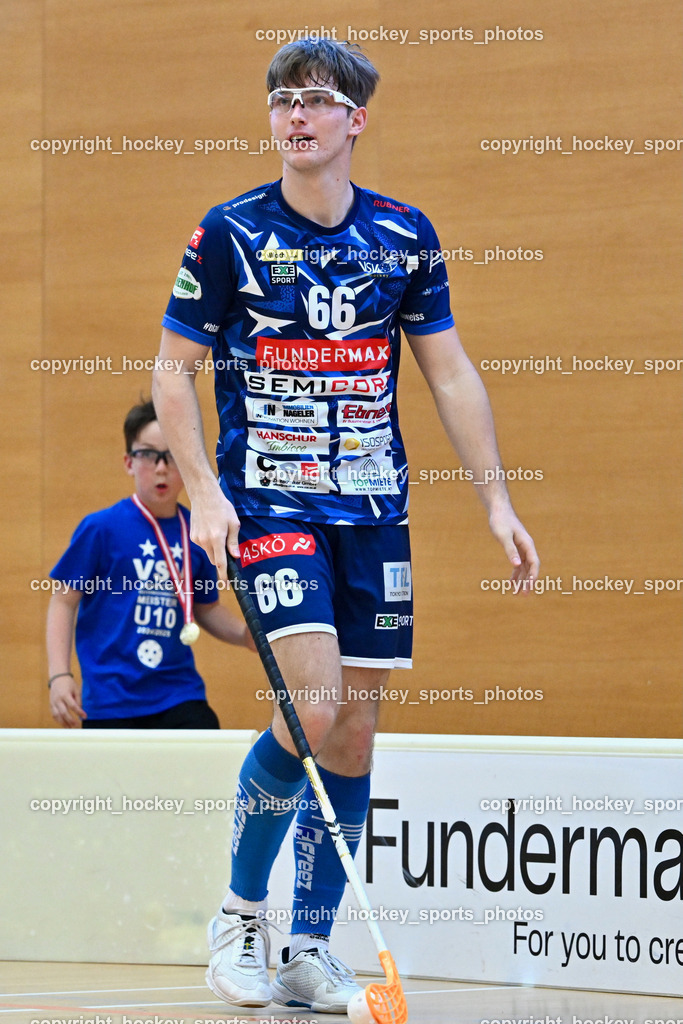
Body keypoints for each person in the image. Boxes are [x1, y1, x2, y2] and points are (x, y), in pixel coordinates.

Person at [152, 38, 539, 1013]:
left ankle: (308, 949)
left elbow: (447, 370)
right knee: (313, 701)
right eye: (282, 99)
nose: (295, 114)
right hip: (269, 501)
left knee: (355, 733)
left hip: (371, 510)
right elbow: (171, 370)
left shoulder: (403, 236)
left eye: (316, 100)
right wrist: (202, 489)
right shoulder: (228, 233)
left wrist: (494, 497)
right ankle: (239, 917)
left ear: (354, 120)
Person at [47, 399, 253, 729]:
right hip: (111, 700)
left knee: (205, 748)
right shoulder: (100, 528)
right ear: (129, 462)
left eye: (172, 455)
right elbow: (63, 600)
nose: (161, 467)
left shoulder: (196, 531)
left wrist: (244, 635)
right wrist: (59, 675)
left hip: (179, 694)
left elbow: (205, 608)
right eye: (148, 454)